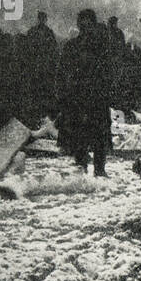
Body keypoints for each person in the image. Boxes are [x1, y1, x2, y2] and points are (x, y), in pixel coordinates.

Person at [57, 9, 113, 177]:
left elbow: (109, 71)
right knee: (79, 134)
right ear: (79, 25)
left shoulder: (101, 47)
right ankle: (82, 168)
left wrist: (106, 90)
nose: (85, 27)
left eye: (88, 24)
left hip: (97, 97)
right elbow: (62, 73)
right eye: (83, 24)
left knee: (99, 134)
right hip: (78, 97)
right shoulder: (71, 46)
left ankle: (99, 170)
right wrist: (64, 94)